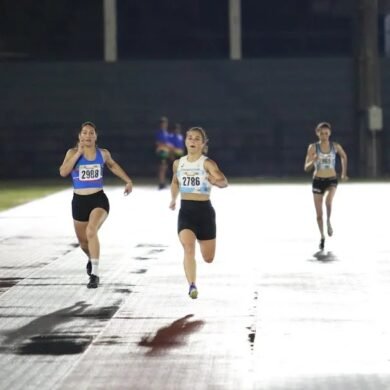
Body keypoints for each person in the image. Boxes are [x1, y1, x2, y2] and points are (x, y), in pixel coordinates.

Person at [59, 121, 133, 288]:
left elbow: (113, 166)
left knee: (91, 230)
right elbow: (63, 172)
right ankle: (91, 259)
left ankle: (95, 274)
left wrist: (127, 180)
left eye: (91, 133)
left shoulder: (103, 153)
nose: (88, 136)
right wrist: (78, 154)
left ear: (96, 136)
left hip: (98, 200)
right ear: (79, 136)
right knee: (83, 242)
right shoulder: (72, 153)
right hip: (79, 202)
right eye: (84, 133)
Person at [169, 127, 228, 299]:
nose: (192, 141)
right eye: (189, 138)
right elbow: (175, 182)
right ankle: (192, 285)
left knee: (208, 258)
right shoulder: (177, 163)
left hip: (205, 214)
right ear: (185, 141)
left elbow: (224, 182)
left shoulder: (207, 163)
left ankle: (203, 245)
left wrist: (216, 181)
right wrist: (173, 198)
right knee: (188, 248)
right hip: (186, 212)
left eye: (196, 139)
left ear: (203, 144)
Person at [304, 122, 348, 250]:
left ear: (330, 133)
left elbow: (344, 156)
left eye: (326, 133)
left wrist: (344, 173)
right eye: (322, 133)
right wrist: (313, 160)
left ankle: (328, 221)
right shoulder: (313, 147)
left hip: (331, 180)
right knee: (318, 214)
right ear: (317, 133)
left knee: (328, 201)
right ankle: (322, 236)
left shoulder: (335, 146)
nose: (324, 136)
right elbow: (306, 168)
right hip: (317, 181)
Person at [155, 116, 172, 189]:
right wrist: (165, 145)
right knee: (162, 167)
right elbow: (157, 143)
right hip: (161, 151)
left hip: (167, 151)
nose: (164, 124)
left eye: (165, 123)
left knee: (165, 167)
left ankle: (163, 182)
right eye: (162, 123)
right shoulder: (159, 132)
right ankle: (161, 183)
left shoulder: (167, 133)